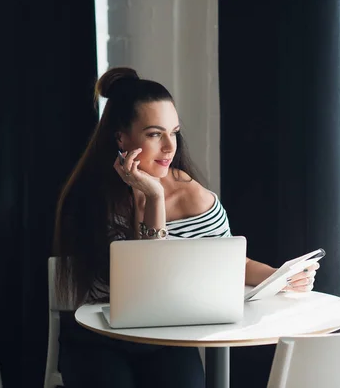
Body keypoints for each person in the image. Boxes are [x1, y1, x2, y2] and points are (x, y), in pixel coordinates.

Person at [52, 67, 320, 388]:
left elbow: (229, 261)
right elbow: (144, 286)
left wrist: (281, 276)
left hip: (167, 339)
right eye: (154, 134)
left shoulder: (195, 197)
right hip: (98, 336)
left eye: (174, 132)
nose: (169, 147)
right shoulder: (91, 197)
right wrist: (154, 197)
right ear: (121, 138)